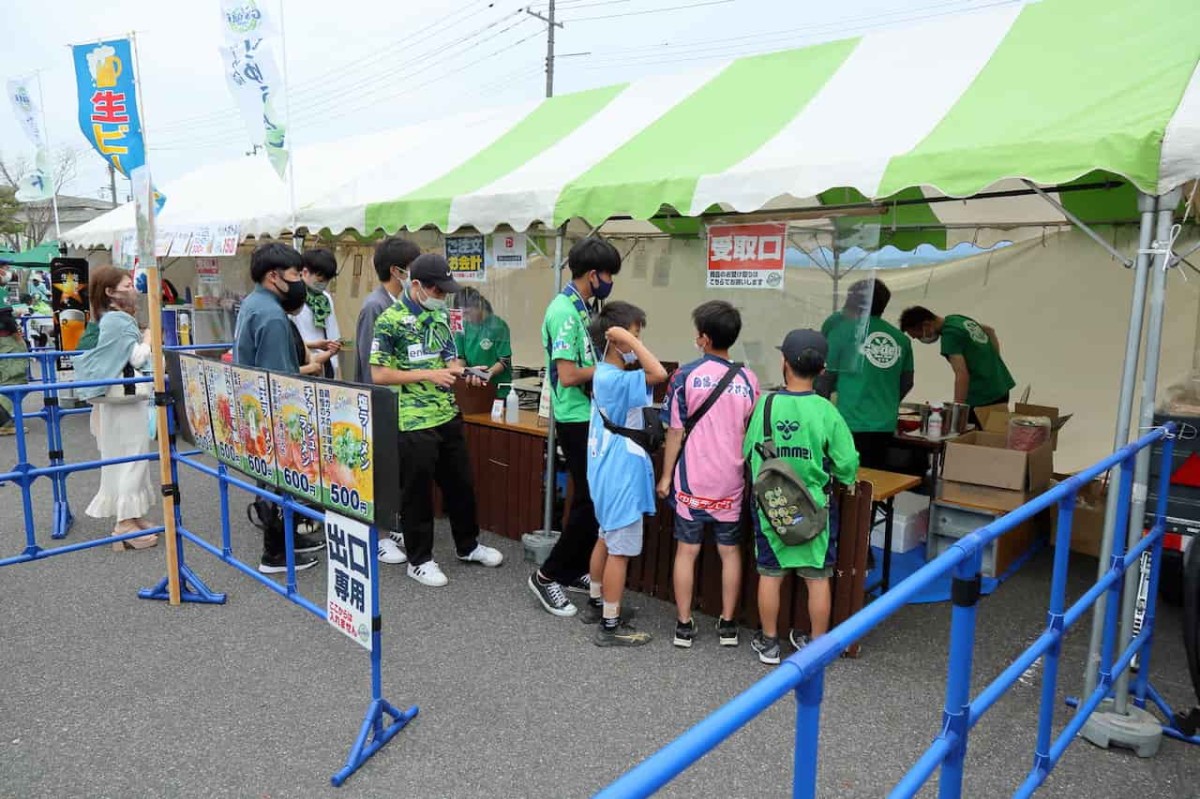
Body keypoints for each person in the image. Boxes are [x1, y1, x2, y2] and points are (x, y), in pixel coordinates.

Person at [370, 253, 503, 587]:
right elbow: (379, 373)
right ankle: (419, 560)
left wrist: (466, 371)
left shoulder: (443, 318)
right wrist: (431, 374)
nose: (443, 298)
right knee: (417, 493)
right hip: (412, 421)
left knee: (461, 484)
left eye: (445, 292)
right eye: (438, 291)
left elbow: (451, 359)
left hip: (447, 413)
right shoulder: (390, 320)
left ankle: (467, 545)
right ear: (417, 286)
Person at [744, 330, 859, 666]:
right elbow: (846, 462)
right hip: (815, 509)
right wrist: (846, 479)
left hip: (772, 507)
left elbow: (750, 452)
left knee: (770, 573)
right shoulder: (826, 410)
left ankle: (769, 644)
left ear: (784, 363)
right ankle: (817, 645)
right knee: (817, 577)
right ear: (822, 369)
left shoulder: (765, 404)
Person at [529, 237, 624, 618]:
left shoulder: (580, 306)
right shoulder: (565, 312)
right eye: (609, 275)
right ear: (592, 274)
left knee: (591, 500)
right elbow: (567, 375)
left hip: (589, 415)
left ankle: (571, 568)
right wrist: (610, 371)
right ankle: (547, 575)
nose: (610, 281)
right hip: (575, 417)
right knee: (589, 501)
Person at [659, 300, 759, 649]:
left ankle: (684, 626)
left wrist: (666, 476)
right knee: (730, 552)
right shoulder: (748, 378)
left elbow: (674, 431)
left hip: (692, 480)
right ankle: (729, 625)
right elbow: (751, 430)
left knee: (687, 551)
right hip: (731, 481)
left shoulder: (685, 376)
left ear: (703, 338)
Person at [233, 243, 324, 574]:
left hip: (254, 410)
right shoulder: (271, 315)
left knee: (273, 480)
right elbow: (278, 378)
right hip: (272, 415)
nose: (301, 279)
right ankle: (275, 553)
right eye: (295, 273)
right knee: (276, 481)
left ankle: (286, 541)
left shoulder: (255, 303)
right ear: (274, 276)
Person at [583, 302, 667, 646]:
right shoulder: (617, 378)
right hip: (621, 472)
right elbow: (659, 374)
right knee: (620, 549)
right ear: (615, 339)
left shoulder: (603, 373)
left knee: (605, 536)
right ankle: (610, 624)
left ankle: (597, 600)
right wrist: (631, 344)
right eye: (634, 335)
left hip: (604, 469)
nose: (637, 342)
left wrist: (627, 341)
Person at [71, 266, 158, 550]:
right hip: (125, 401)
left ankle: (131, 517)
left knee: (122, 457)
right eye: (128, 284)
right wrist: (148, 338)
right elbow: (135, 357)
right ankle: (124, 524)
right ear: (110, 292)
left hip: (113, 399)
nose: (133, 289)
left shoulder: (105, 319)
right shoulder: (119, 320)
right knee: (132, 457)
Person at [353, 235, 420, 566]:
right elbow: (370, 367)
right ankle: (375, 535)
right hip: (378, 404)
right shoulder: (374, 306)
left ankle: (387, 527)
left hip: (399, 405)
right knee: (377, 474)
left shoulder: (401, 305)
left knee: (391, 473)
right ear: (398, 271)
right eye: (413, 269)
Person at [818, 281, 913, 469]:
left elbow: (825, 379)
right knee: (875, 483)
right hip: (885, 424)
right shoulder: (901, 339)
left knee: (846, 483)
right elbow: (907, 382)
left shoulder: (843, 332)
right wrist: (886, 402)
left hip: (848, 422)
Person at [898, 306, 1015, 423]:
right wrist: (994, 361)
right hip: (1001, 386)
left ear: (926, 325)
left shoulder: (950, 336)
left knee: (970, 436)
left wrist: (957, 412)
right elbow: (989, 330)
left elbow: (962, 374)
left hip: (983, 397)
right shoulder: (957, 320)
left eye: (918, 336)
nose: (920, 339)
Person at [453, 287, 512, 399]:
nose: (466, 317)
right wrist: (463, 372)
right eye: (463, 314)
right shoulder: (462, 327)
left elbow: (504, 360)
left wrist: (486, 374)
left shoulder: (498, 326)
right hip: (472, 387)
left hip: (497, 390)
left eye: (468, 313)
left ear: (479, 306)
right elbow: (461, 357)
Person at [293, 248, 342, 379]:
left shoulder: (326, 298)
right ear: (304, 272)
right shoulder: (293, 299)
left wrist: (338, 373)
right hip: (304, 364)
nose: (324, 284)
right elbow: (289, 341)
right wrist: (315, 344)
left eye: (327, 280)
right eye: (320, 280)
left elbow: (334, 336)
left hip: (327, 365)